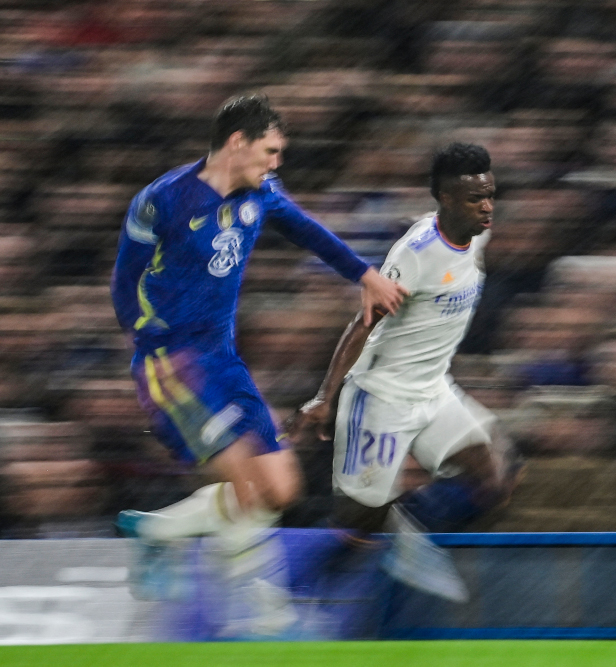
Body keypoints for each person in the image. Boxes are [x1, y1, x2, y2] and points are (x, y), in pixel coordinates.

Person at [109, 93, 407, 638]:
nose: (276, 163)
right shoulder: (163, 202)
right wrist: (151, 340)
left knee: (281, 487)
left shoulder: (262, 194)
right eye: (270, 151)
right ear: (236, 142)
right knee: (247, 487)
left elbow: (309, 230)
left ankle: (162, 531)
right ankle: (268, 620)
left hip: (222, 360)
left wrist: (364, 275)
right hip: (173, 365)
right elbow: (123, 282)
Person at [292, 142, 519, 603]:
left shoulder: (477, 233)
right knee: (360, 519)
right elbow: (362, 325)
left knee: (492, 475)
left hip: (434, 388)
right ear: (447, 200)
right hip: (382, 394)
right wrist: (324, 397)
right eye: (477, 198)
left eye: (491, 193)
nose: (488, 206)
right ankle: (298, 597)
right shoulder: (416, 253)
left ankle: (410, 531)